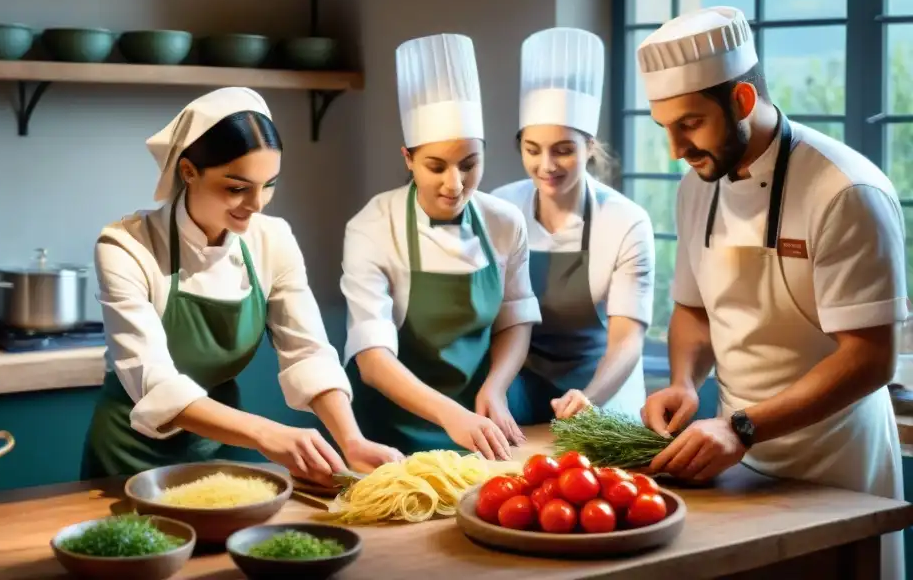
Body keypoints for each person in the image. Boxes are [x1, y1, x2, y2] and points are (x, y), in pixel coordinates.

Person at [635, 6, 906, 579]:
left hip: (837, 465)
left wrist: (741, 428)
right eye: (664, 127)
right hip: (734, 461)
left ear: (742, 102)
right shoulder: (696, 187)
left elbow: (871, 357)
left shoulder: (845, 191)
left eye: (688, 124)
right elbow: (693, 310)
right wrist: (684, 381)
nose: (675, 148)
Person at [81, 87, 402, 484]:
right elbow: (155, 382)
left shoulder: (273, 239)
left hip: (225, 444)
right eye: (237, 188)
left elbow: (307, 351)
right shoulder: (126, 246)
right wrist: (268, 434)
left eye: (269, 184)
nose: (258, 204)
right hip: (128, 455)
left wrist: (351, 441)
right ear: (188, 171)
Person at [340, 33, 542, 460]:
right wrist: (452, 416)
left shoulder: (505, 222)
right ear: (408, 158)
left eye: (470, 164)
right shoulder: (373, 227)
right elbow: (373, 361)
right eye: (436, 166)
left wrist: (496, 387)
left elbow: (515, 320)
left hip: (482, 425)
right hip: (391, 433)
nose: (455, 185)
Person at [492, 27, 655, 425]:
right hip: (521, 385)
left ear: (590, 147)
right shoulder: (499, 207)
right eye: (532, 150)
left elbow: (627, 338)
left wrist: (588, 399)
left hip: (603, 389)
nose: (546, 165)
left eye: (563, 150)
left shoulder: (625, 221)